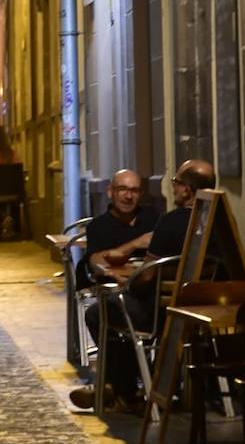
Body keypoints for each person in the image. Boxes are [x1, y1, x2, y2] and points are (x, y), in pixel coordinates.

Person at [69, 161, 215, 412]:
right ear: (111, 192)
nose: (174, 189)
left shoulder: (167, 222)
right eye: (122, 189)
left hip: (160, 313)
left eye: (176, 183)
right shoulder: (215, 220)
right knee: (117, 312)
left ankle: (121, 389)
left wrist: (129, 281)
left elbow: (146, 277)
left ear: (187, 190)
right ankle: (121, 388)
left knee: (99, 312)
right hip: (200, 310)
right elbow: (94, 261)